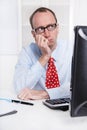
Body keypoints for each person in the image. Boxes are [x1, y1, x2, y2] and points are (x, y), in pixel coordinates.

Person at [14, 7, 72, 100]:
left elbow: (81, 86)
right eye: (41, 29)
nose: (47, 34)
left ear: (57, 28)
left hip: (66, 106)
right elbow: (19, 88)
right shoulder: (27, 52)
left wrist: (46, 94)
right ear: (34, 34)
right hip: (37, 108)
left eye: (50, 26)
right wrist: (45, 57)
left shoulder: (72, 49)